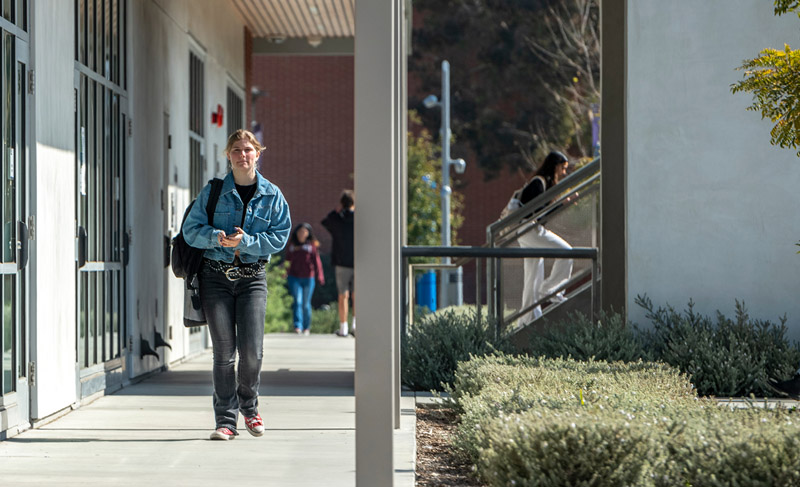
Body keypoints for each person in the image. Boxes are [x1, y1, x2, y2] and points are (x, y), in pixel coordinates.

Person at [183, 129, 291, 441]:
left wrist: (248, 242)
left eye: (248, 150)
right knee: (223, 354)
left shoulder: (272, 195)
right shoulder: (213, 191)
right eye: (236, 150)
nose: (242, 155)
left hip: (252, 279)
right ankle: (226, 421)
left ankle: (250, 407)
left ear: (258, 153)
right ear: (228, 156)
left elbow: (280, 235)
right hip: (214, 277)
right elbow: (191, 229)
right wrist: (215, 237)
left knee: (253, 353)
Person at [517, 151, 574, 324]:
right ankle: (550, 290)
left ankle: (527, 321)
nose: (564, 173)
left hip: (526, 230)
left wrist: (561, 205)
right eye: (563, 168)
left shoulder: (541, 183)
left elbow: (540, 214)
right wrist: (562, 205)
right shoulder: (538, 183)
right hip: (529, 229)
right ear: (555, 166)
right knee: (567, 252)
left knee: (533, 276)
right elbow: (538, 215)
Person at [321, 190, 355, 337]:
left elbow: (326, 221)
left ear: (342, 203)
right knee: (357, 295)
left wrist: (337, 211)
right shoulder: (358, 218)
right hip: (359, 260)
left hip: (342, 261)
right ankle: (355, 325)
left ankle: (343, 327)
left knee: (343, 295)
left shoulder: (337, 219)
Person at [285, 223, 325, 336]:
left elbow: (317, 262)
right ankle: (298, 325)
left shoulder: (311, 246)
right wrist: (285, 272)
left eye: (304, 232)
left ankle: (306, 327)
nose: (302, 234)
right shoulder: (292, 246)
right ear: (296, 233)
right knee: (297, 301)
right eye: (300, 232)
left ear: (308, 233)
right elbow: (288, 261)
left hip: (308, 278)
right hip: (294, 277)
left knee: (306, 304)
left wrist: (320, 276)